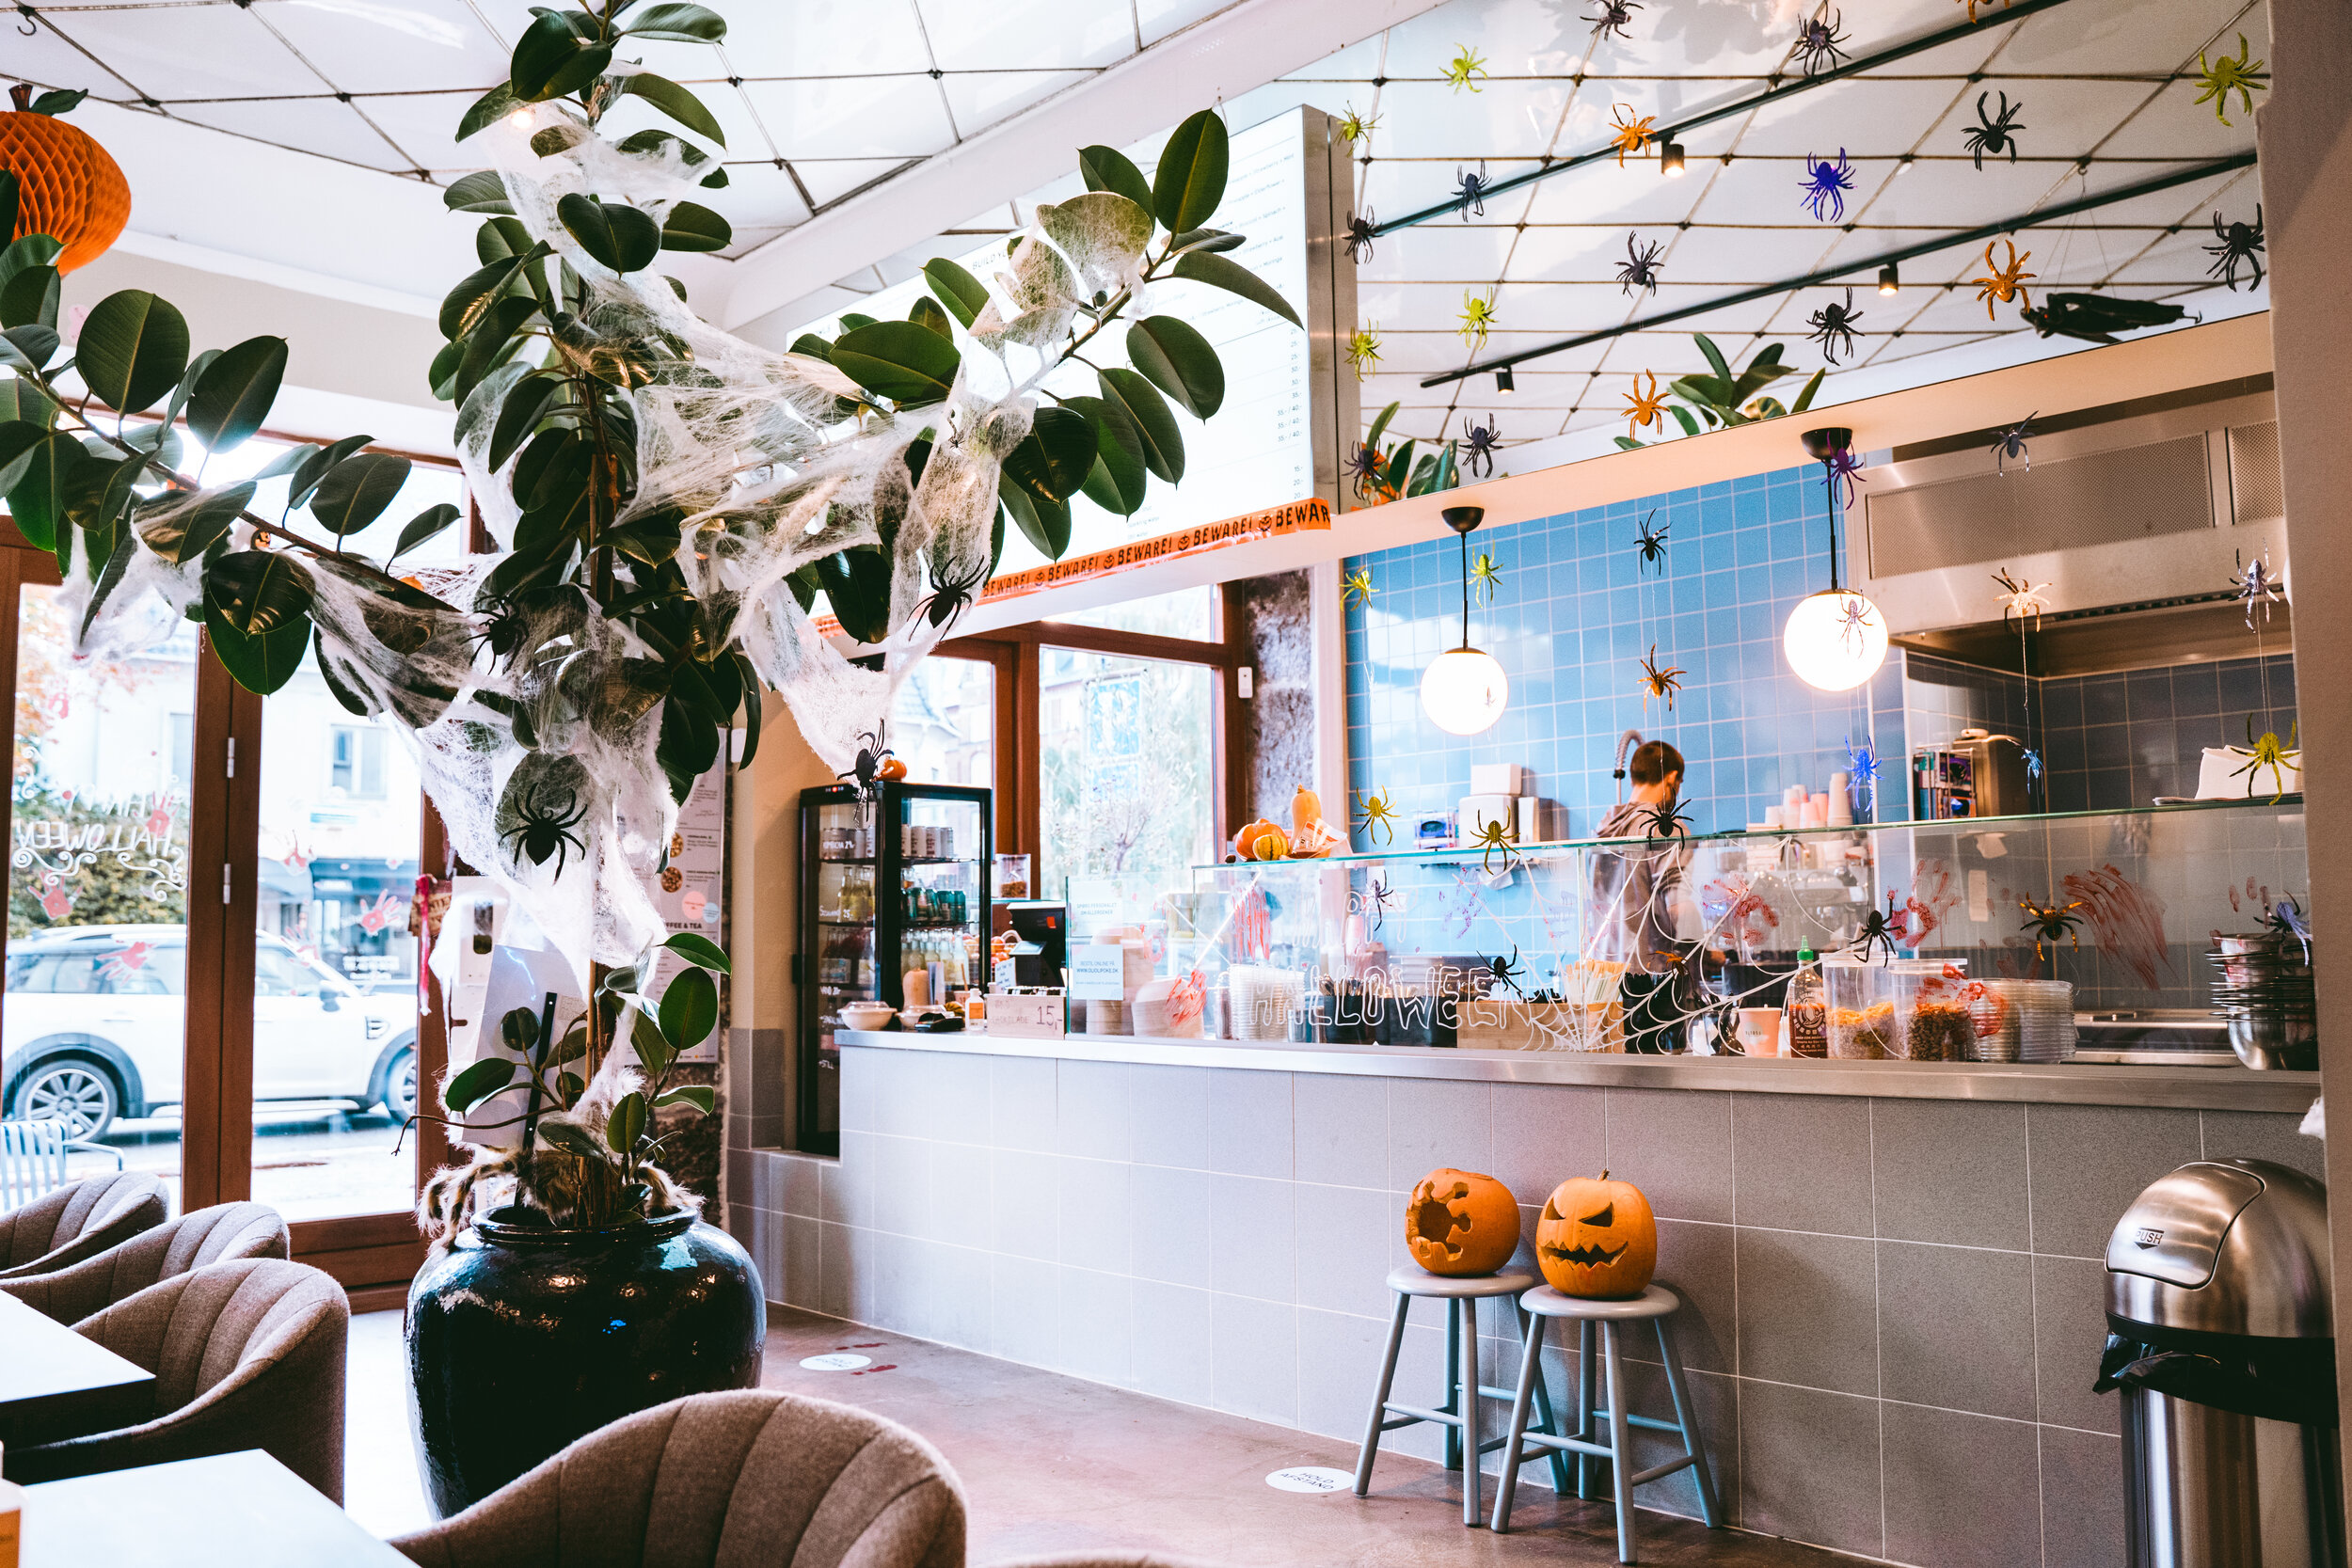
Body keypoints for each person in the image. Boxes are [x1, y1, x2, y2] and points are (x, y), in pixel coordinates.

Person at [1590, 740, 1697, 1053]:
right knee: (1662, 1074)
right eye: (1678, 784)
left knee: (1624, 1072)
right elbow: (1677, 903)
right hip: (1653, 971)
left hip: (1606, 971)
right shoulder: (1665, 828)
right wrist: (1704, 947)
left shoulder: (1604, 828)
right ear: (1671, 778)